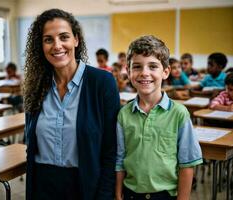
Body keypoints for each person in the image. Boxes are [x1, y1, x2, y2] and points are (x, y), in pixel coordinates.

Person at [23, 9, 120, 200]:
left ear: (76, 39)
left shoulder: (102, 82)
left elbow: (111, 151)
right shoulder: (35, 86)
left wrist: (104, 195)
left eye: (64, 37)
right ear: (41, 46)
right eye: (48, 39)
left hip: (85, 186)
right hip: (43, 186)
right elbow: (31, 147)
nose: (57, 45)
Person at [115, 35, 203, 200]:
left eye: (153, 66)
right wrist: (118, 195)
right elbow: (120, 160)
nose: (144, 73)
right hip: (131, 194)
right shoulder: (123, 114)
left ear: (165, 72)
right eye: (137, 67)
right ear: (128, 71)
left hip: (166, 195)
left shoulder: (179, 113)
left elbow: (187, 164)